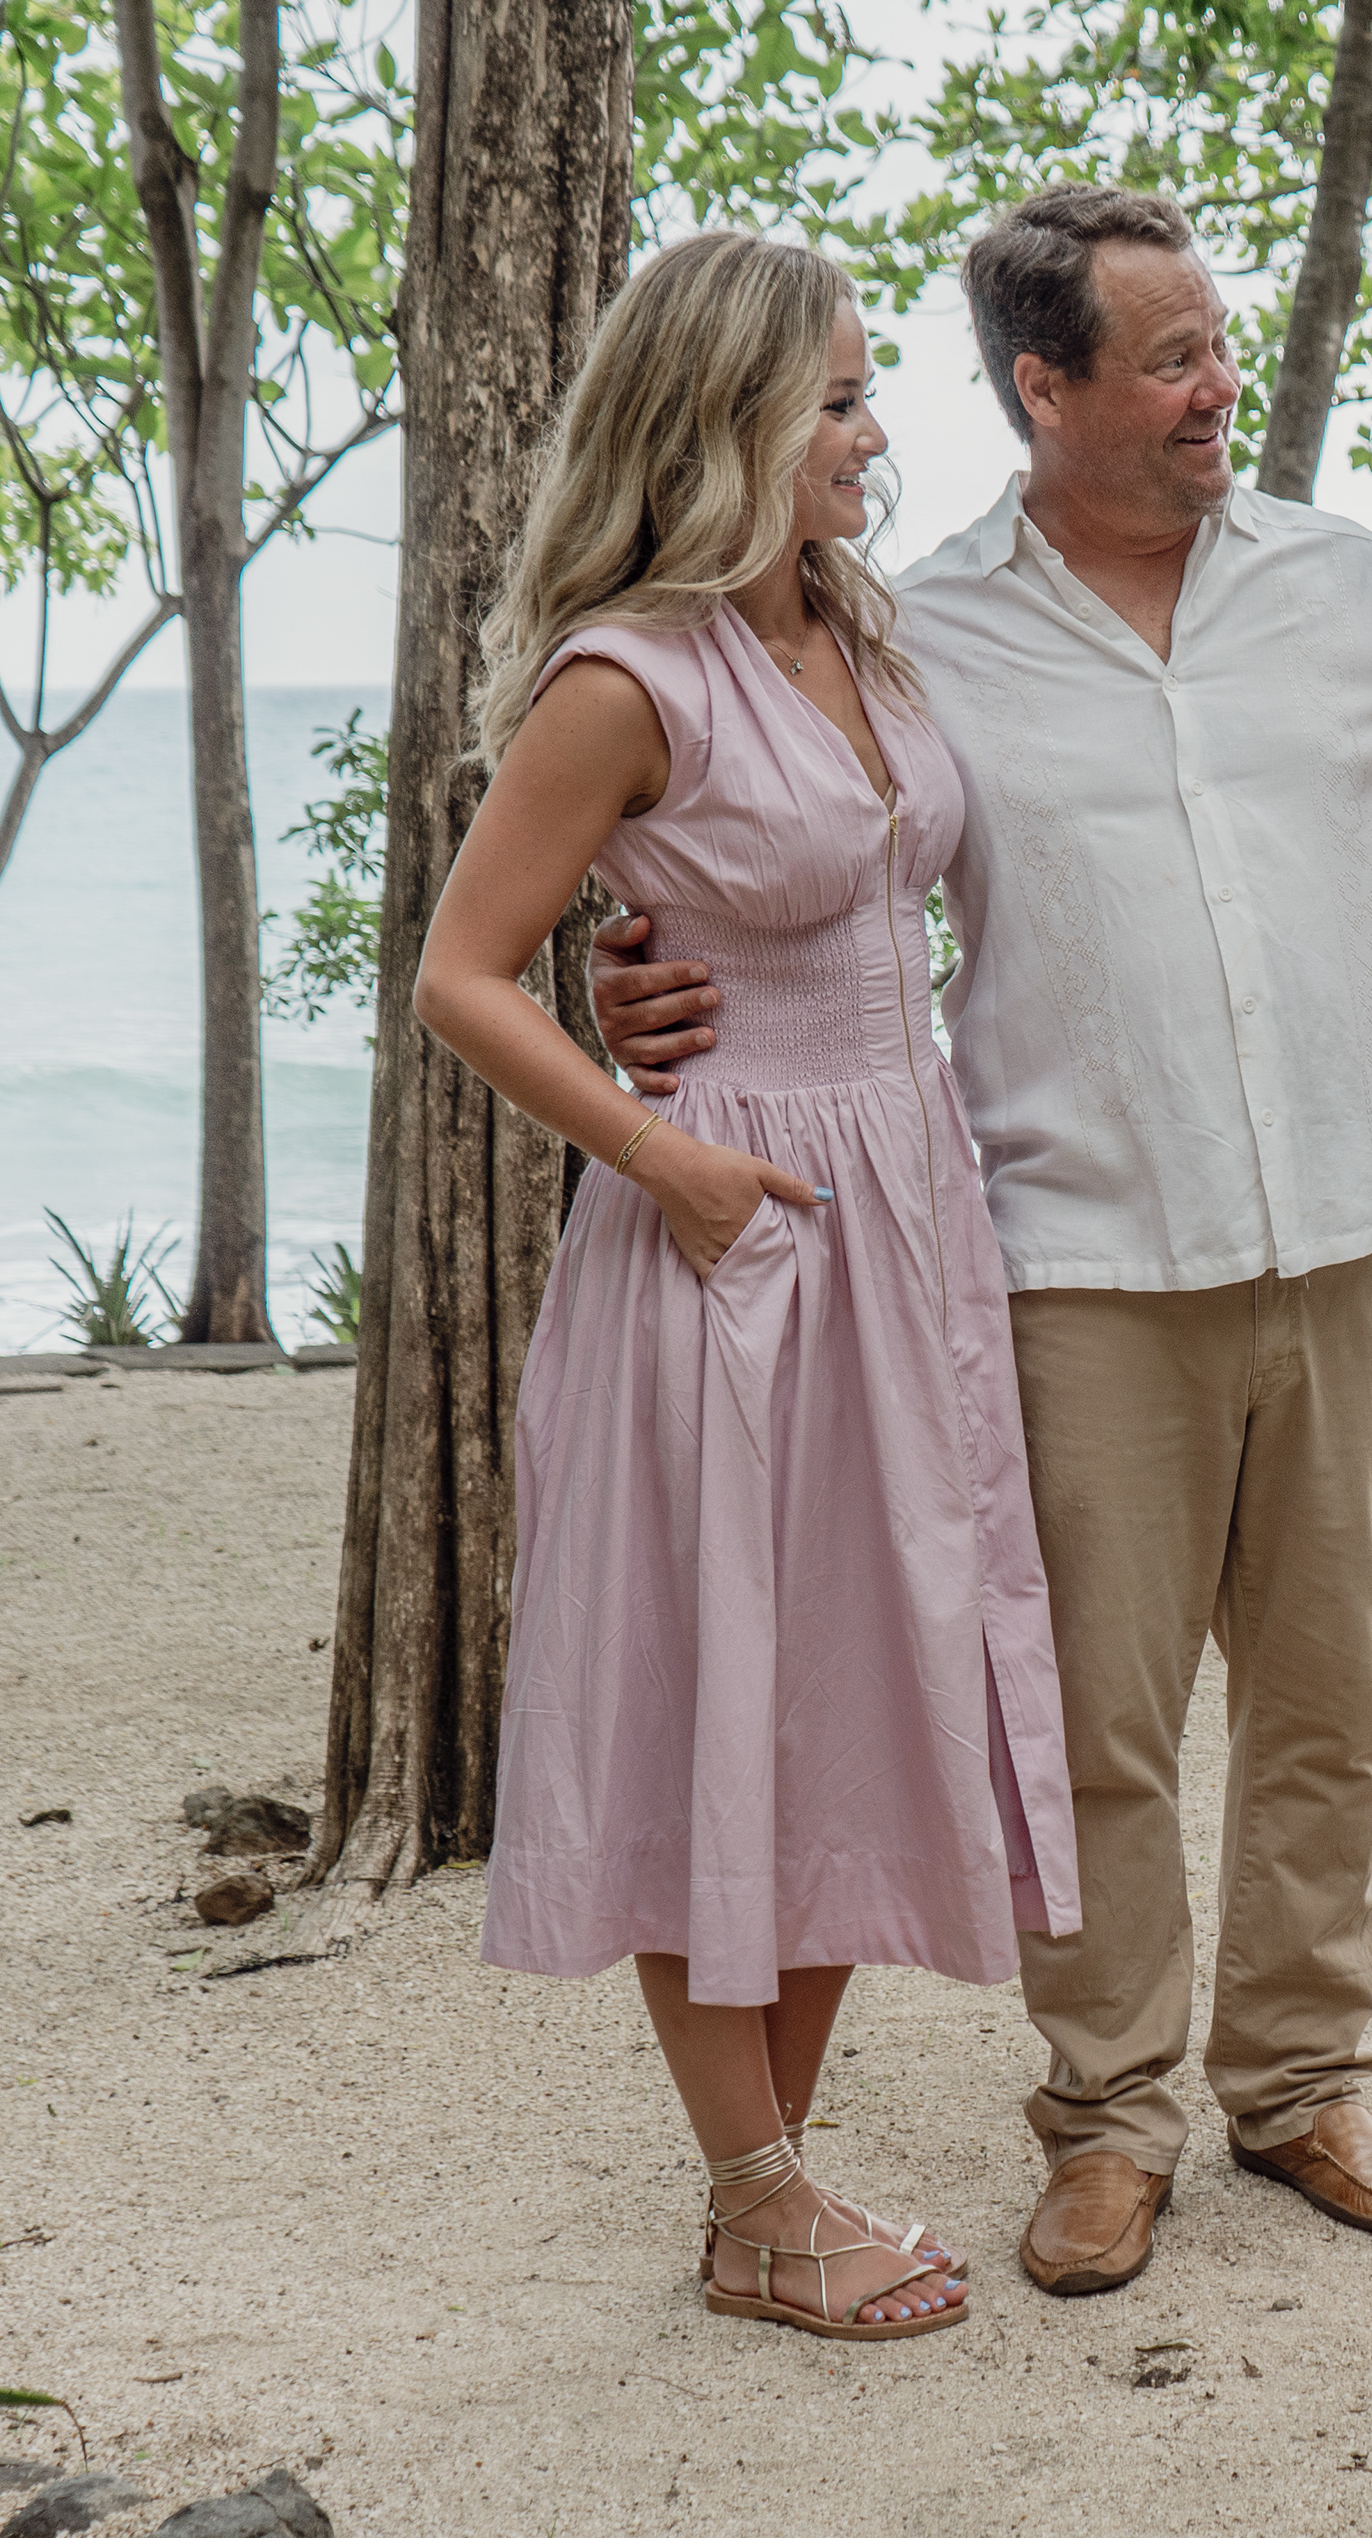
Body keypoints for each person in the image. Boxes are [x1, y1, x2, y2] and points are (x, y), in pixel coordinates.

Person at [587, 188, 1372, 2296]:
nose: (1216, 388)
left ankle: (1301, 2081)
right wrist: (629, 966)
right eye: (1169, 359)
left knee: (1331, 1714)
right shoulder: (916, 631)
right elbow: (760, 824)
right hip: (1077, 1257)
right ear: (1042, 386)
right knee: (1096, 1726)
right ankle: (1106, 2117)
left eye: (1220, 344)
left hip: (1348, 1243)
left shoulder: (1341, 580)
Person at [414, 230, 1077, 2343]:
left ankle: (768, 2180)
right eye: (842, 400)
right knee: (717, 1680)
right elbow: (459, 974)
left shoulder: (863, 630)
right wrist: (665, 1152)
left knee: (860, 1677)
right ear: (730, 419)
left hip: (908, 1216)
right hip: (733, 1226)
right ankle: (757, 2192)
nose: (878, 435)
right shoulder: (627, 678)